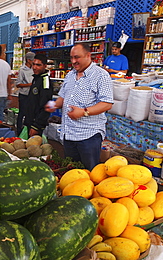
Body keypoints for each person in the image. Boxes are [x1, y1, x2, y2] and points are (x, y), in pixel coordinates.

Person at [46, 43, 113, 171]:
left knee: (89, 173)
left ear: (88, 56)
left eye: (77, 57)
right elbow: (63, 97)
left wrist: (83, 112)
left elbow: (106, 104)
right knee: (71, 170)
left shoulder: (101, 75)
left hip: (88, 135)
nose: (73, 61)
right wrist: (53, 105)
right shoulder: (70, 75)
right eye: (71, 58)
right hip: (68, 134)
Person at [22, 53, 53, 137]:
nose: (35, 67)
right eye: (33, 64)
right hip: (30, 121)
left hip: (36, 125)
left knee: (36, 149)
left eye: (38, 65)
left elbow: (46, 106)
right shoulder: (36, 78)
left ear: (45, 66)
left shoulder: (45, 82)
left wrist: (36, 126)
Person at [15, 51, 35, 135]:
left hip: (32, 95)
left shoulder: (34, 69)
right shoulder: (22, 69)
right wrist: (29, 84)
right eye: (33, 60)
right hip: (24, 95)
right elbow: (18, 84)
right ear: (28, 60)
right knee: (22, 113)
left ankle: (27, 131)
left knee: (30, 114)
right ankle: (19, 131)